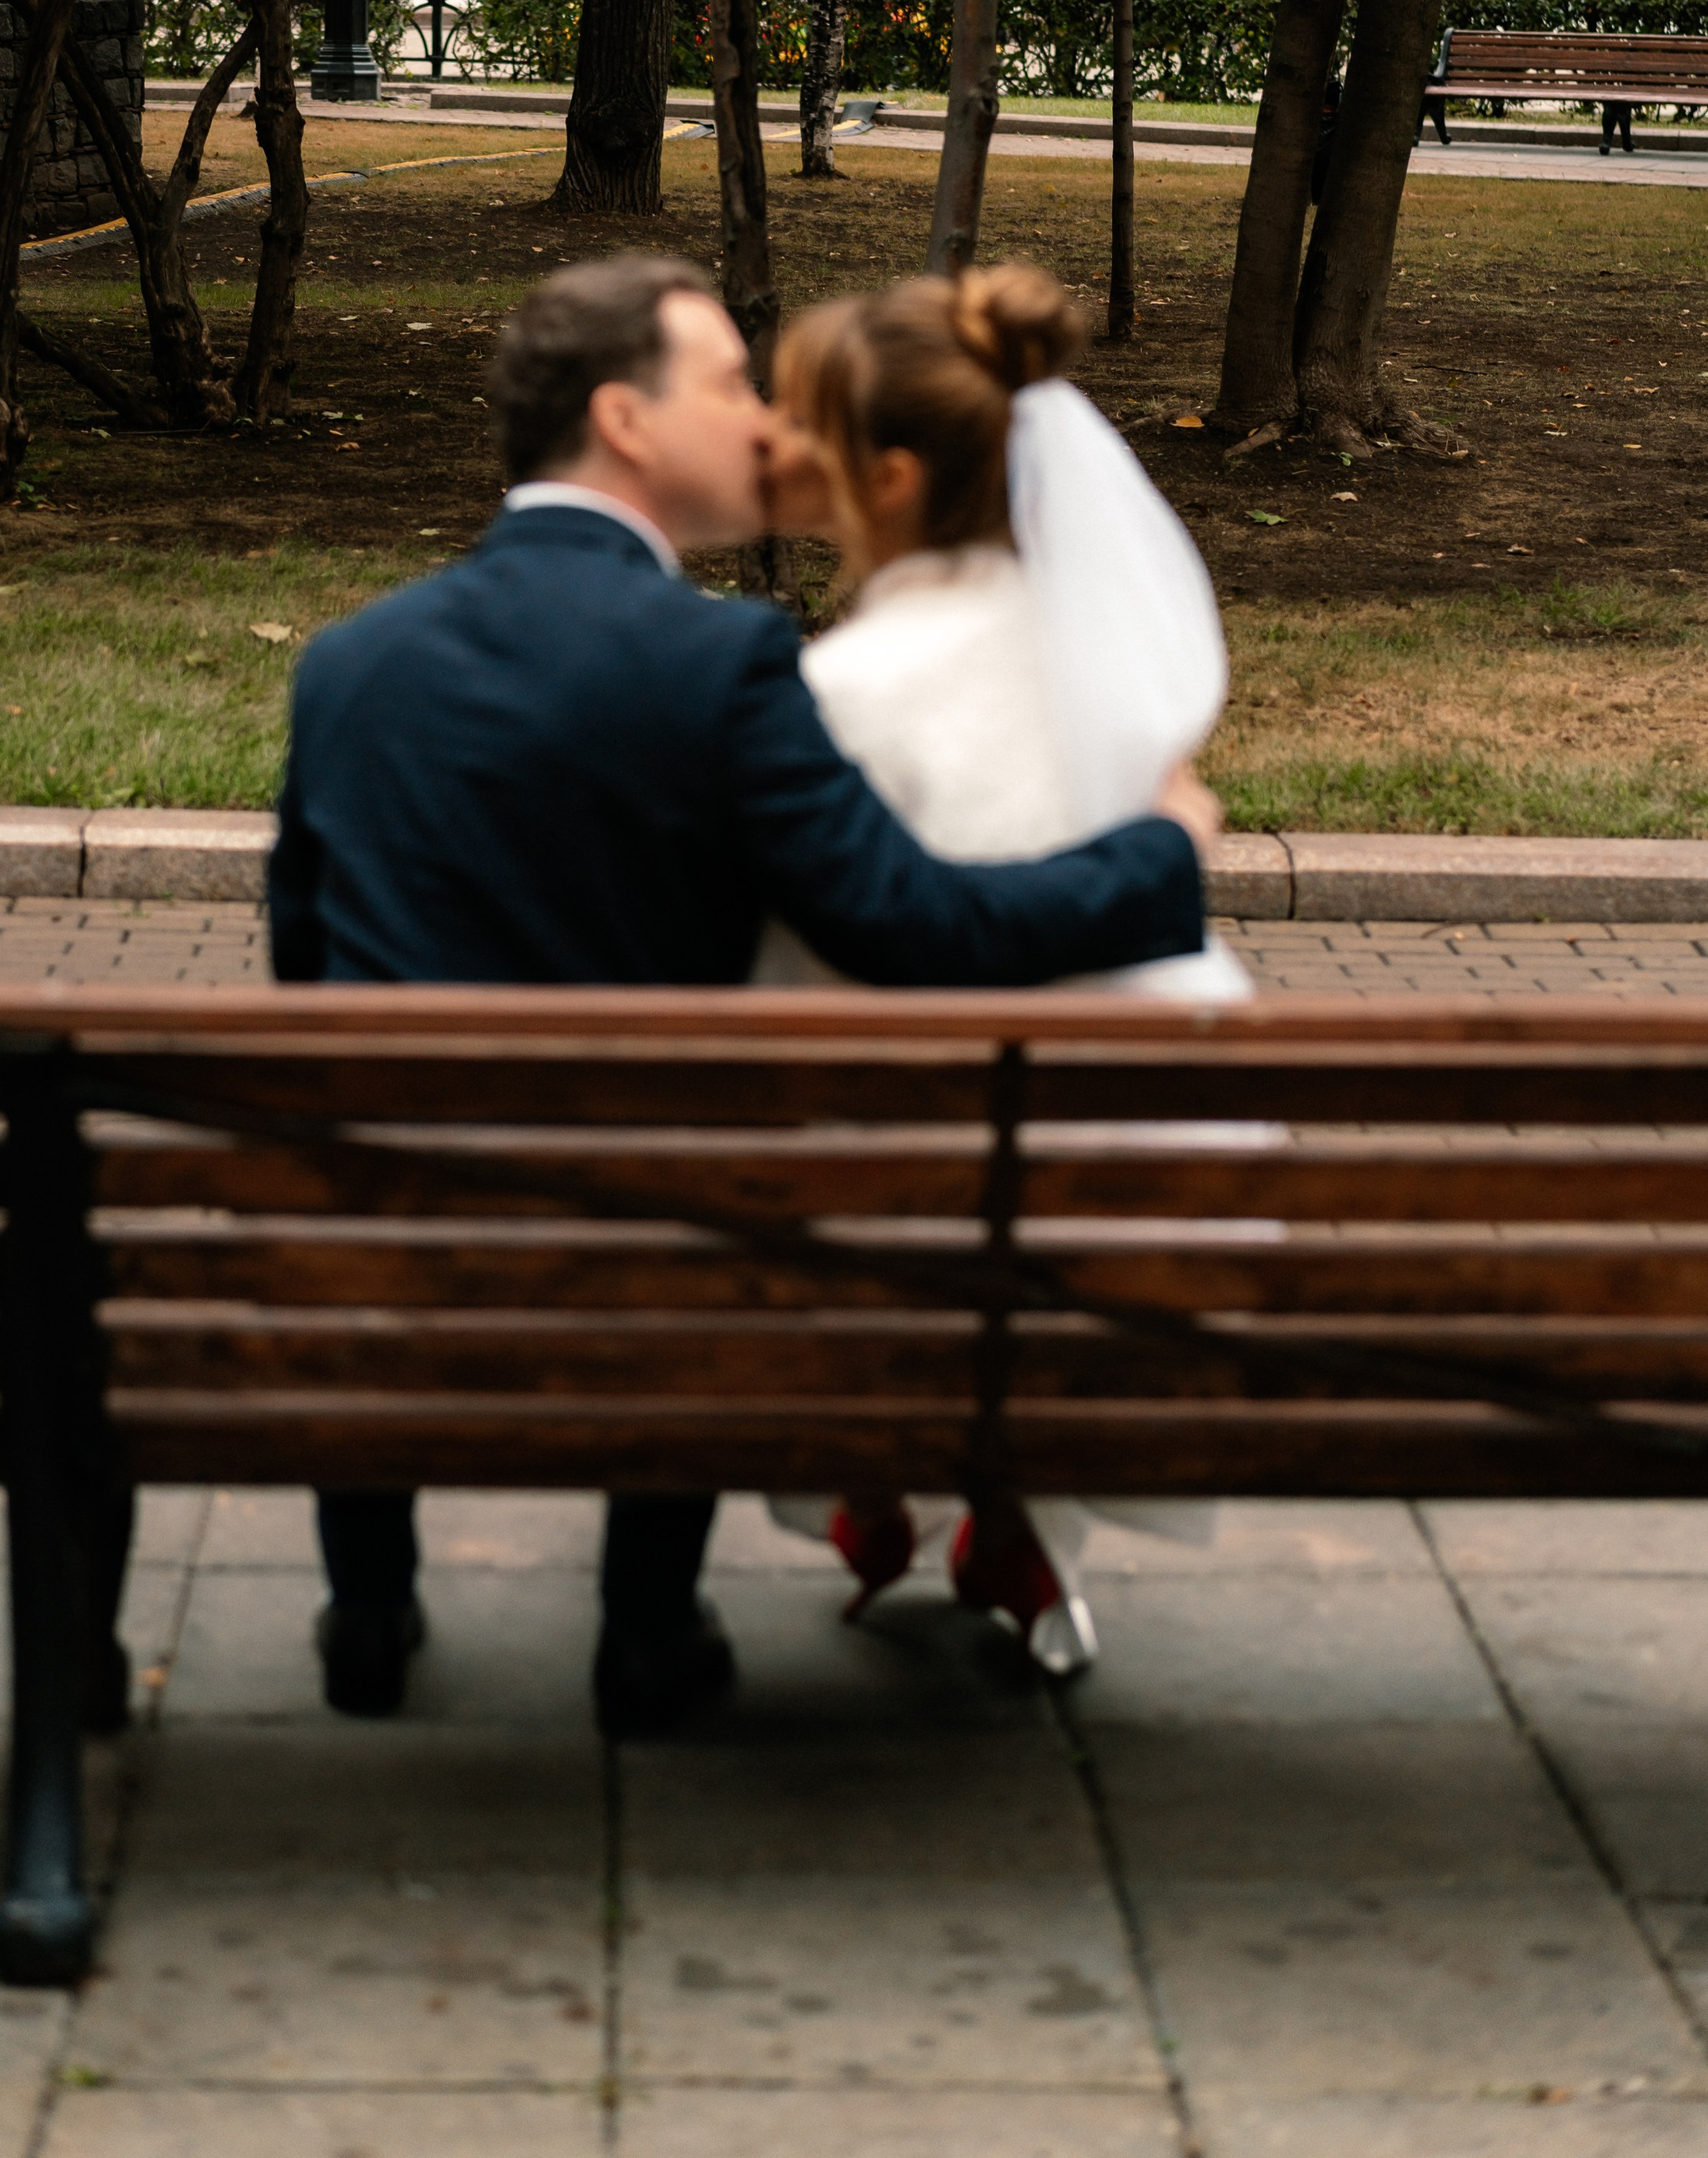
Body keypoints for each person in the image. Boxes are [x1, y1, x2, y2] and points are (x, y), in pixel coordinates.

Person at [268, 255, 1218, 1737]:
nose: (767, 425)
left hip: (389, 1244)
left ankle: (370, 1603)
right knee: (689, 1174)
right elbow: (918, 924)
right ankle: (645, 1627)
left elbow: (301, 974)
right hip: (652, 1259)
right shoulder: (723, 664)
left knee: (373, 1155)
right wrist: (1161, 854)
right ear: (625, 422)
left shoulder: (349, 665)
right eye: (728, 383)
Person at [756, 264, 1246, 1670]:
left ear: (891, 479)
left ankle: (879, 1466)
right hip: (1119, 1185)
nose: (786, 453)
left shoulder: (840, 694)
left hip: (893, 1184)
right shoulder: (1114, 669)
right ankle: (1023, 1518)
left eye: (809, 430)